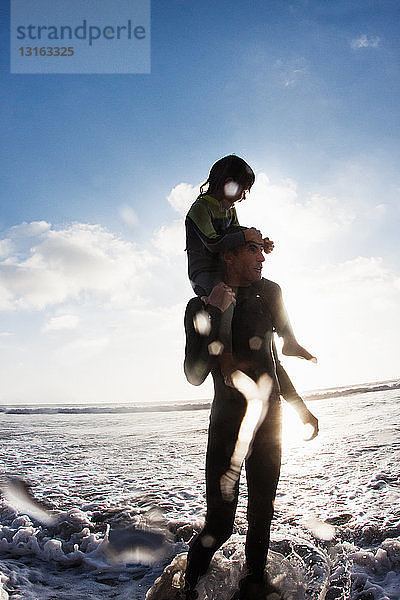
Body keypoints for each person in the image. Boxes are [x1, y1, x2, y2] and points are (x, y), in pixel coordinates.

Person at [181, 229, 319, 600]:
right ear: (228, 256)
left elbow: (270, 362)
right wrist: (213, 312)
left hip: (270, 422)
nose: (262, 257)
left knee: (262, 515)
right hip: (227, 424)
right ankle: (186, 589)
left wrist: (300, 408)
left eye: (263, 250)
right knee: (221, 523)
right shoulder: (201, 306)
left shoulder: (269, 294)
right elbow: (194, 375)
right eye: (253, 250)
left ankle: (253, 586)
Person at [185, 155, 316, 386]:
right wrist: (246, 236)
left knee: (273, 288)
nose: (243, 196)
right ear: (227, 182)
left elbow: (236, 236)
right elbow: (214, 242)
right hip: (204, 272)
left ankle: (289, 341)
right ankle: (226, 360)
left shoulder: (230, 209)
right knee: (227, 297)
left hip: (225, 266)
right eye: (242, 189)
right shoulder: (200, 208)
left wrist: (258, 242)